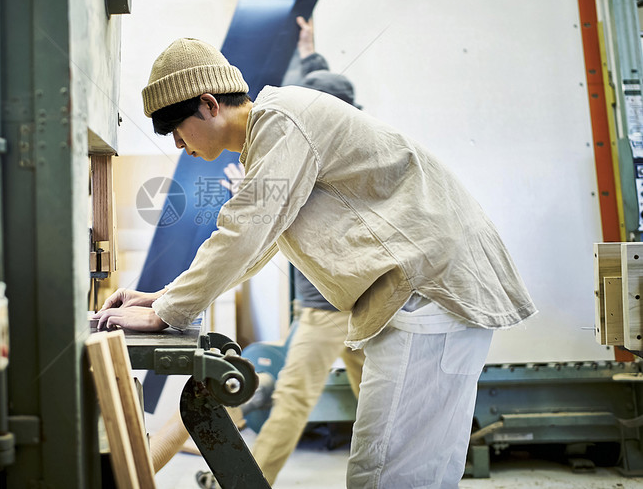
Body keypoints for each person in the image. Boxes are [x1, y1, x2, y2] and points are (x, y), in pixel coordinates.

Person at [94, 28, 536, 487]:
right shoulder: (271, 135)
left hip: (429, 290)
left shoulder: (281, 123)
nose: (179, 146)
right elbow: (257, 246)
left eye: (177, 131)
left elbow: (243, 232)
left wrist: (167, 312)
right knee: (416, 469)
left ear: (208, 105)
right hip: (428, 291)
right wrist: (161, 298)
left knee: (385, 474)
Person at [194, 16, 366, 489]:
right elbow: (323, 85)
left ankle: (247, 481)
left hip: (329, 304)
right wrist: (310, 48)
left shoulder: (310, 147)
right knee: (370, 398)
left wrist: (251, 189)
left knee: (293, 396)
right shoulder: (331, 135)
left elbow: (261, 224)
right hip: (346, 299)